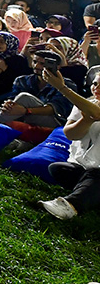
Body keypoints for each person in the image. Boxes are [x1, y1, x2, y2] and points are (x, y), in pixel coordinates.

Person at [39, 67, 100, 220]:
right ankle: (90, 193)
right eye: (95, 84)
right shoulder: (85, 104)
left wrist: (62, 87)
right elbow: (71, 134)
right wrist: (85, 120)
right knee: (58, 168)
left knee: (95, 175)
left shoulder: (87, 105)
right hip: (84, 166)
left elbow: (96, 113)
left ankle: (70, 206)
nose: (96, 88)